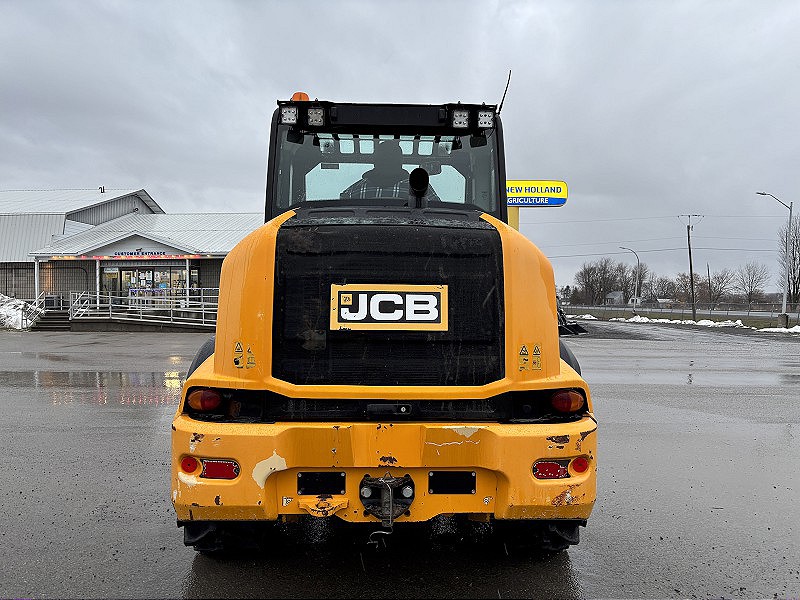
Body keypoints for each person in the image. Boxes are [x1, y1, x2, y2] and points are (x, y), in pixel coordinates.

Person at [340, 140, 440, 201]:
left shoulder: (353, 191)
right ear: (400, 161)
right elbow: (439, 215)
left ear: (375, 161)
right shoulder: (420, 189)